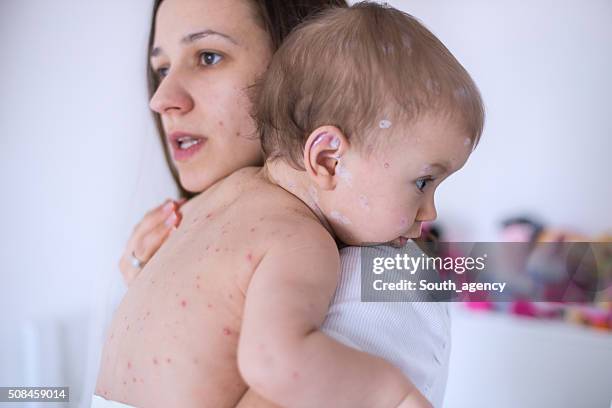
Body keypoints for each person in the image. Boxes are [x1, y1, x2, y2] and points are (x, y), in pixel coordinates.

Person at [97, 0, 483, 407]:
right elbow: (272, 362)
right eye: (422, 182)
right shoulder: (299, 238)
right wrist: (394, 393)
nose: (160, 99)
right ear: (327, 158)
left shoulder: (210, 211)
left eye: (208, 57)